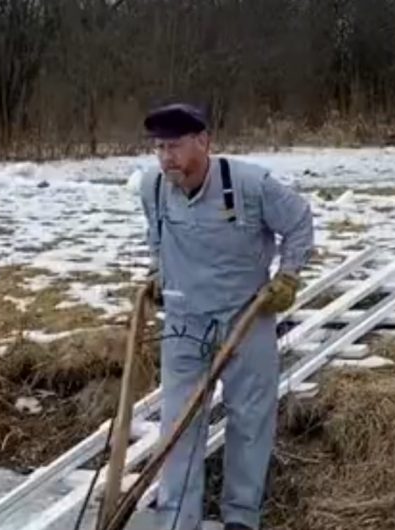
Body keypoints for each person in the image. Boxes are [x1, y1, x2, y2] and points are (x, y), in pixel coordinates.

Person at [138, 103, 314, 530]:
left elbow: (299, 221)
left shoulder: (249, 184)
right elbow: (155, 234)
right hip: (184, 324)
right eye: (159, 147)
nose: (166, 158)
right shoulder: (154, 187)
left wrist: (287, 276)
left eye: (175, 146)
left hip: (245, 318)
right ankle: (179, 520)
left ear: (204, 141)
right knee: (179, 425)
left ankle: (240, 518)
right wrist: (158, 274)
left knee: (250, 421)